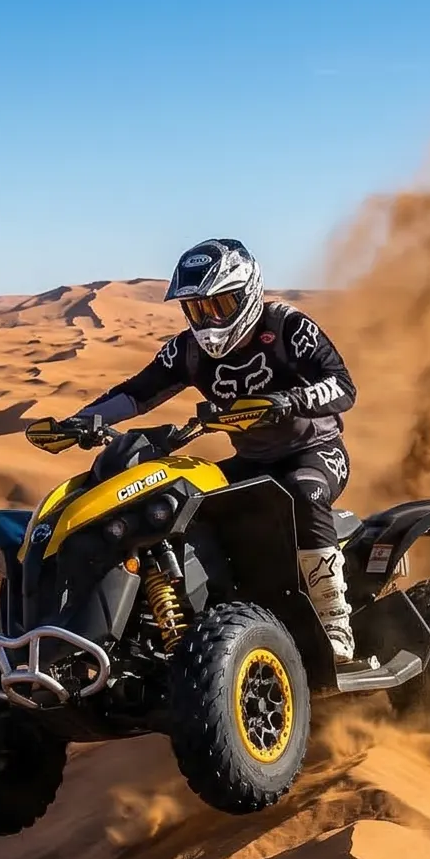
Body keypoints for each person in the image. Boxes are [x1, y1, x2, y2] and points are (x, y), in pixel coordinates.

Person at [63, 237, 359, 662]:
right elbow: (137, 392)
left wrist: (292, 400)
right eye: (198, 309)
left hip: (314, 451)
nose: (209, 319)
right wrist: (84, 419)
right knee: (190, 505)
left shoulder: (290, 328)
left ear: (248, 294)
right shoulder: (189, 349)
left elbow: (343, 387)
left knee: (304, 490)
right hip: (253, 461)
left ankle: (335, 624)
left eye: (220, 305)